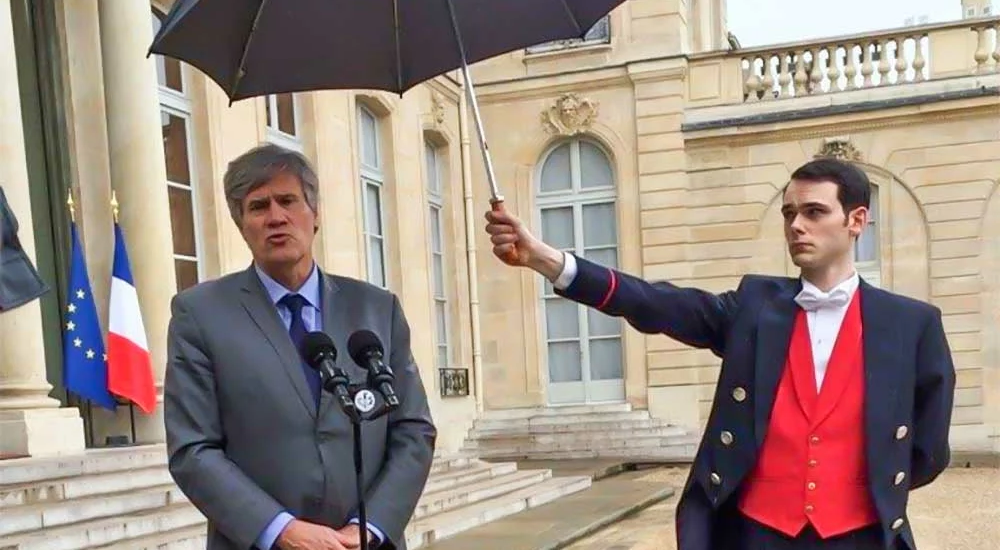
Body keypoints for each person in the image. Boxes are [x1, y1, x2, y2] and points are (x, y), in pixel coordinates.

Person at [485, 158, 955, 550]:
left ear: (856, 221)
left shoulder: (912, 323)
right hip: (755, 534)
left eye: (814, 212)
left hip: (861, 536)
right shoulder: (754, 305)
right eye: (789, 213)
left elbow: (927, 450)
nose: (796, 225)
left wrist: (862, 488)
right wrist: (546, 259)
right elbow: (656, 303)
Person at [165, 144, 436, 550]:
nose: (276, 217)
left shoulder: (376, 309)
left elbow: (413, 428)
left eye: (288, 200)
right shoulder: (200, 314)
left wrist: (371, 526)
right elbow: (193, 448)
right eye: (258, 207)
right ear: (242, 225)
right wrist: (280, 530)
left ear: (315, 214)